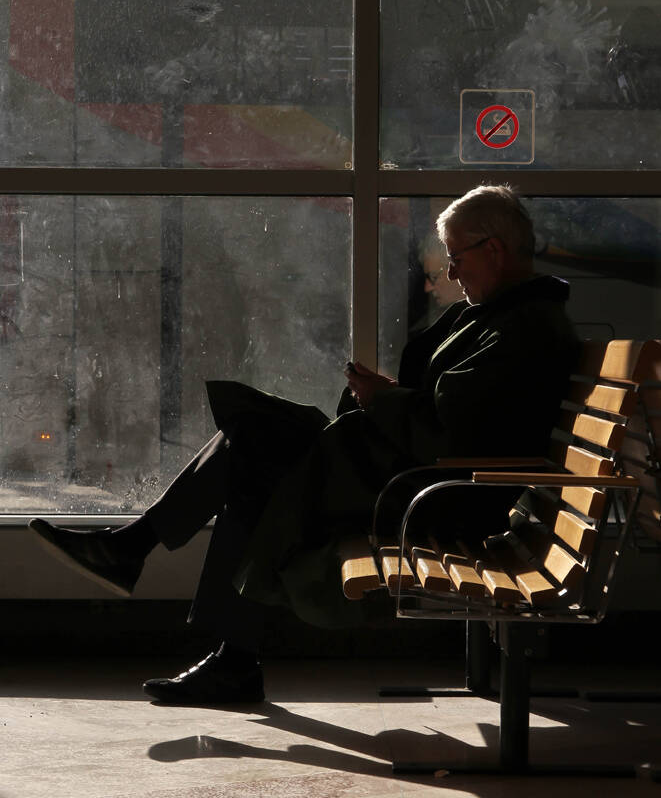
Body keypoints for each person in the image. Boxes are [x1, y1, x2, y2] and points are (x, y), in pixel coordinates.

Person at [29, 184, 579, 705]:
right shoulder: (509, 318)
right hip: (402, 472)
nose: (452, 272)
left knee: (254, 453)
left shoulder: (523, 329)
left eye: (456, 257)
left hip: (428, 495)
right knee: (252, 438)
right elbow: (455, 413)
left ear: (494, 250)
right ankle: (199, 622)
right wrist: (385, 396)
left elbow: (454, 433)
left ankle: (152, 569)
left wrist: (384, 399)